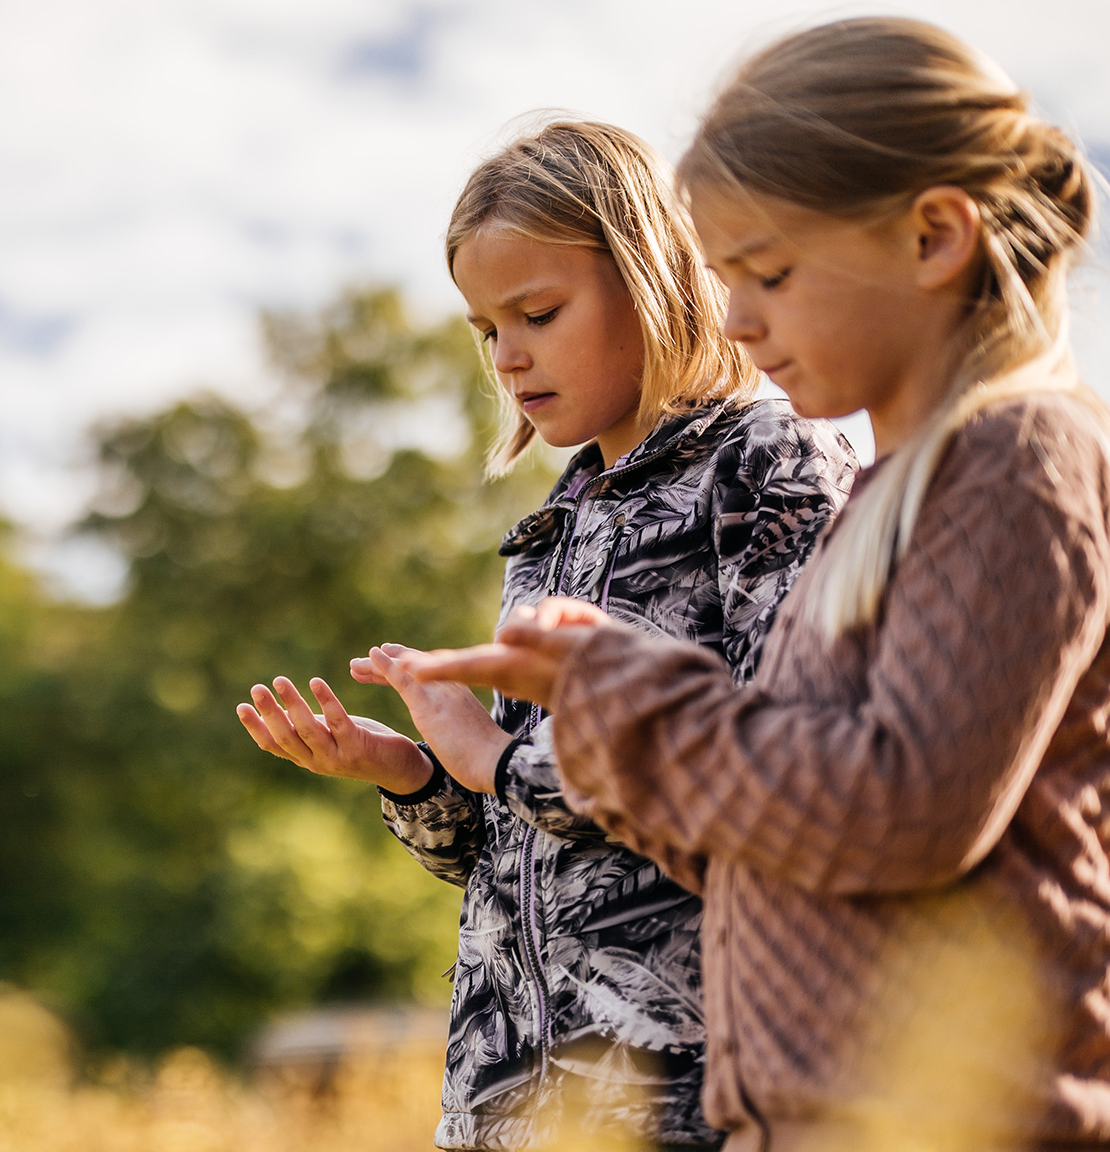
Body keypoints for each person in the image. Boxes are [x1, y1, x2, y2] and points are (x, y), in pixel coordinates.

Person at [396, 19, 1110, 1152]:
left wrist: (611, 698)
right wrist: (458, 770)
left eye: (766, 273)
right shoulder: (900, 492)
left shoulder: (1018, 463)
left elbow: (896, 812)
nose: (733, 318)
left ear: (932, 238)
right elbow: (771, 832)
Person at [236, 119, 855, 1149]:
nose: (507, 357)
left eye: (536, 313)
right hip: (508, 1109)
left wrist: (496, 758)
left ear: (655, 279)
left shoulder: (765, 465)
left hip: (687, 1100)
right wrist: (415, 775)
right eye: (485, 329)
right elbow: (523, 852)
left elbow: (780, 772)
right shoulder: (547, 532)